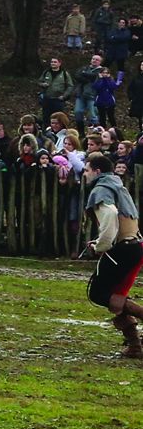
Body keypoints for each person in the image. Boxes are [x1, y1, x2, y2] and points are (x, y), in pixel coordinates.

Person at [82, 152, 143, 358]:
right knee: (115, 296)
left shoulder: (101, 189)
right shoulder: (117, 186)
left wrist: (101, 246)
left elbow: (109, 216)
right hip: (133, 247)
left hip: (122, 250)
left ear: (97, 171)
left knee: (98, 293)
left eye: (87, 170)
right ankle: (135, 346)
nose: (85, 174)